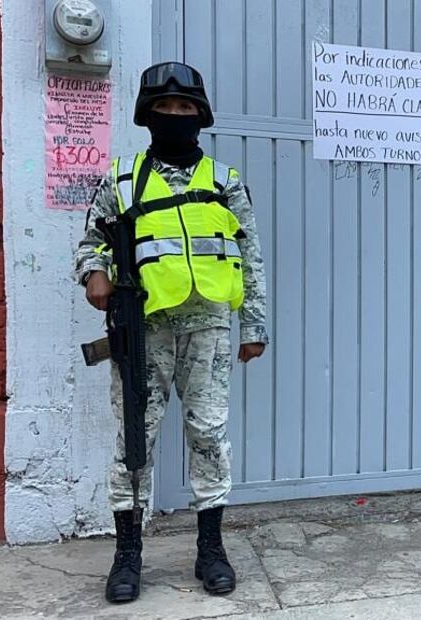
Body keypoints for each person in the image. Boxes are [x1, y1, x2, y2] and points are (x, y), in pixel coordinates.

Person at [74, 61, 269, 603]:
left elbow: (250, 257)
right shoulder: (121, 179)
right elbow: (90, 243)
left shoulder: (226, 183)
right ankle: (128, 555)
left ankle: (211, 549)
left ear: (200, 116)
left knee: (209, 434)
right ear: (148, 114)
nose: (175, 114)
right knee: (135, 440)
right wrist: (94, 273)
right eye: (164, 106)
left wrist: (254, 326)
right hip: (144, 329)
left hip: (208, 327)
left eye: (185, 107)